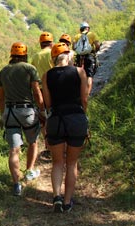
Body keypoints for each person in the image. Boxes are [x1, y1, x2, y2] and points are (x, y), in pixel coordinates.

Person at [42, 42, 89, 212]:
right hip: (76, 118)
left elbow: (47, 104)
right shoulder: (79, 72)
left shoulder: (46, 75)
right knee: (71, 163)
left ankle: (56, 197)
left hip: (56, 120)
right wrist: (83, 115)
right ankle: (68, 202)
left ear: (53, 58)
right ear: (68, 56)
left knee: (57, 162)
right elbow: (84, 99)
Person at [0, 42, 46, 196]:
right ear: (25, 54)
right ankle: (30, 170)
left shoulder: (3, 72)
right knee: (32, 142)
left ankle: (16, 184)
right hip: (27, 112)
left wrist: (2, 115)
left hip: (10, 112)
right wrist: (42, 110)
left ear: (12, 55)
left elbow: (1, 99)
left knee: (14, 150)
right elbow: (37, 93)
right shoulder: (29, 69)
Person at [31, 31, 54, 156]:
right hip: (55, 87)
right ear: (51, 43)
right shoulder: (53, 53)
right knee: (56, 113)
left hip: (40, 90)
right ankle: (60, 142)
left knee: (44, 118)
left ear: (41, 44)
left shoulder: (35, 57)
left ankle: (48, 145)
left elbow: (33, 75)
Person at [73, 22, 101, 95]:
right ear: (88, 28)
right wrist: (95, 51)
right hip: (89, 56)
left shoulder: (77, 36)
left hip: (79, 57)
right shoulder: (92, 34)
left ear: (80, 29)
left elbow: (73, 47)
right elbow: (97, 45)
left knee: (79, 75)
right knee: (89, 75)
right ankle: (87, 94)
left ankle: (79, 93)